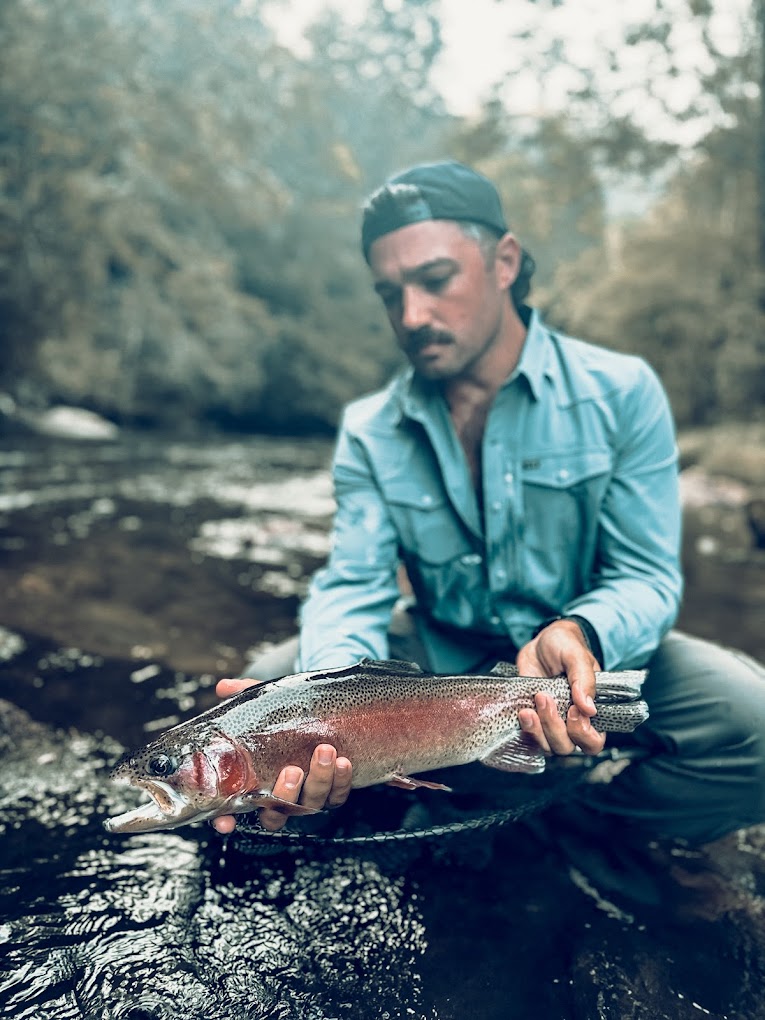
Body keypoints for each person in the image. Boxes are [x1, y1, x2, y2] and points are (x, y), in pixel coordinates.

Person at [212, 162, 765, 891]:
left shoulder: (620, 391)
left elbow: (646, 576)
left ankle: (582, 829)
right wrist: (323, 704)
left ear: (504, 262)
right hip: (429, 658)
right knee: (246, 723)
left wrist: (582, 633)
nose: (410, 315)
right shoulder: (370, 429)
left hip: (584, 652)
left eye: (435, 279)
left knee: (753, 727)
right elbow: (353, 582)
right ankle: (372, 795)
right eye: (390, 293)